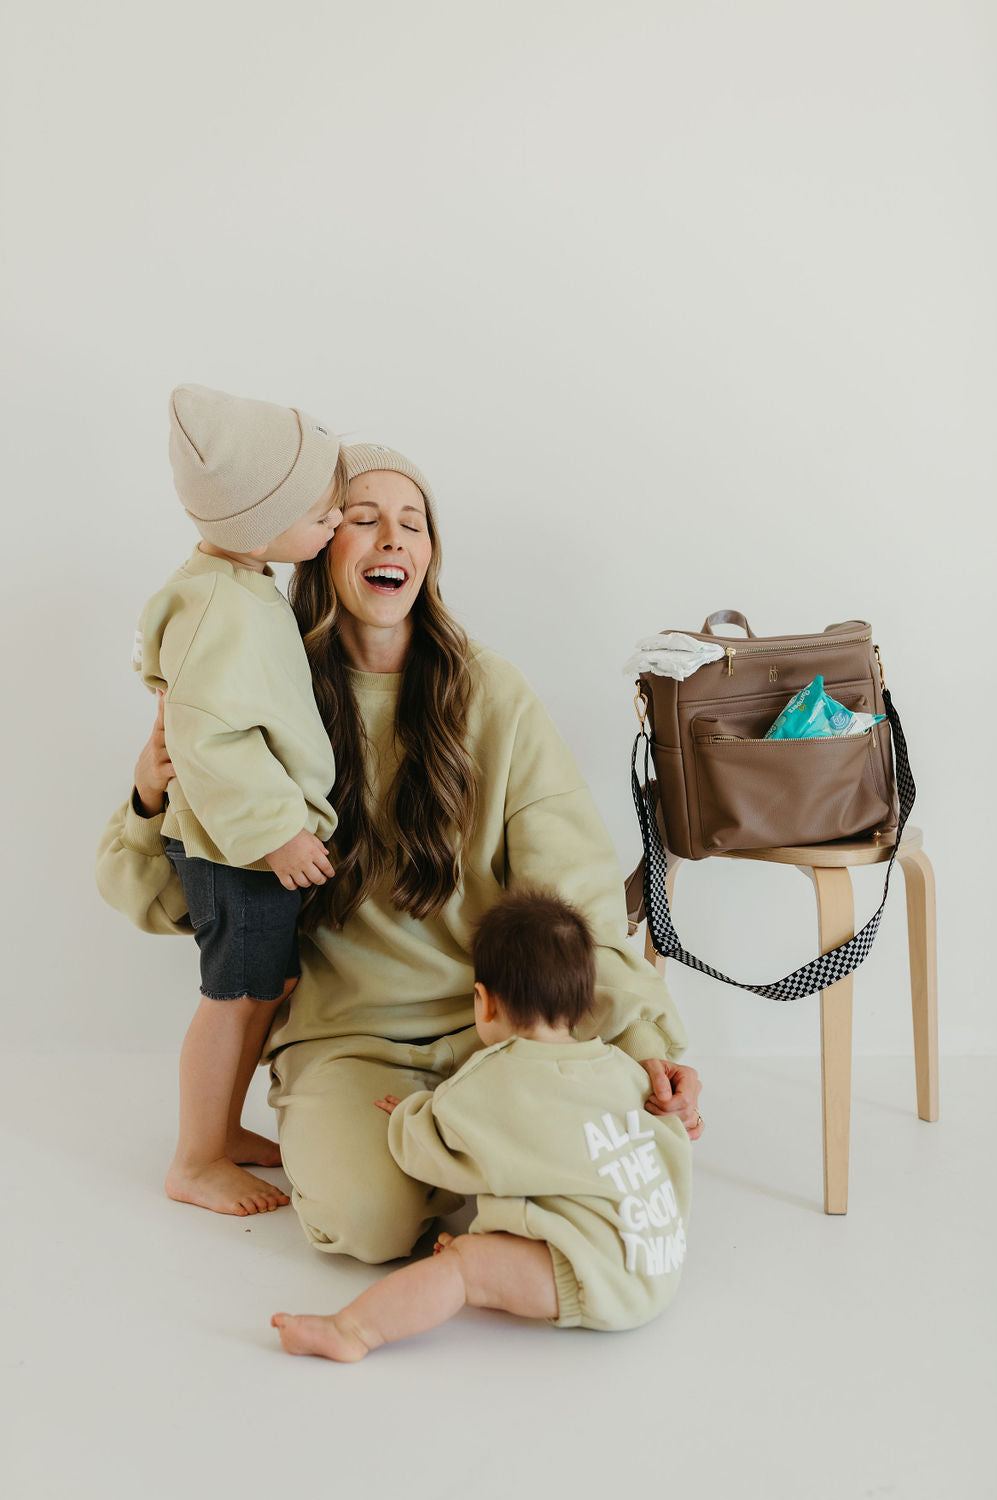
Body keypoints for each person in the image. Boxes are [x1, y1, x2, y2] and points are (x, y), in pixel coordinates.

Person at [97, 429, 704, 1263]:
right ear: (316, 544)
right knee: (366, 1228)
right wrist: (147, 794)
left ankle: (473, 1158)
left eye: (413, 523)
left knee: (640, 1184)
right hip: (346, 1043)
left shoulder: (492, 692)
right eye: (362, 517)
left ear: (430, 555)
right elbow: (174, 902)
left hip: (503, 1029)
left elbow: (576, 893)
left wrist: (642, 1043)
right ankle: (455, 1166)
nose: (392, 539)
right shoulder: (256, 688)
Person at [271, 888, 692, 1361]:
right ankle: (510, 1244)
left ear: (484, 1003)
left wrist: (412, 1115)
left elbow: (435, 1156)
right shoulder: (621, 1068)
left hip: (589, 1276)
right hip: (657, 1258)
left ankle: (354, 1330)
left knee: (462, 1268)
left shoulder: (496, 1079)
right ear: (582, 1004)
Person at [125, 384, 346, 1218]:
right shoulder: (225, 606)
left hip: (242, 844)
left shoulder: (241, 583)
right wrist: (277, 833)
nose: (332, 527)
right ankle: (195, 1157)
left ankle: (224, 1127)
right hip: (235, 848)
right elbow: (208, 738)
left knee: (266, 986)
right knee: (234, 997)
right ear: (259, 522)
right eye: (321, 516)